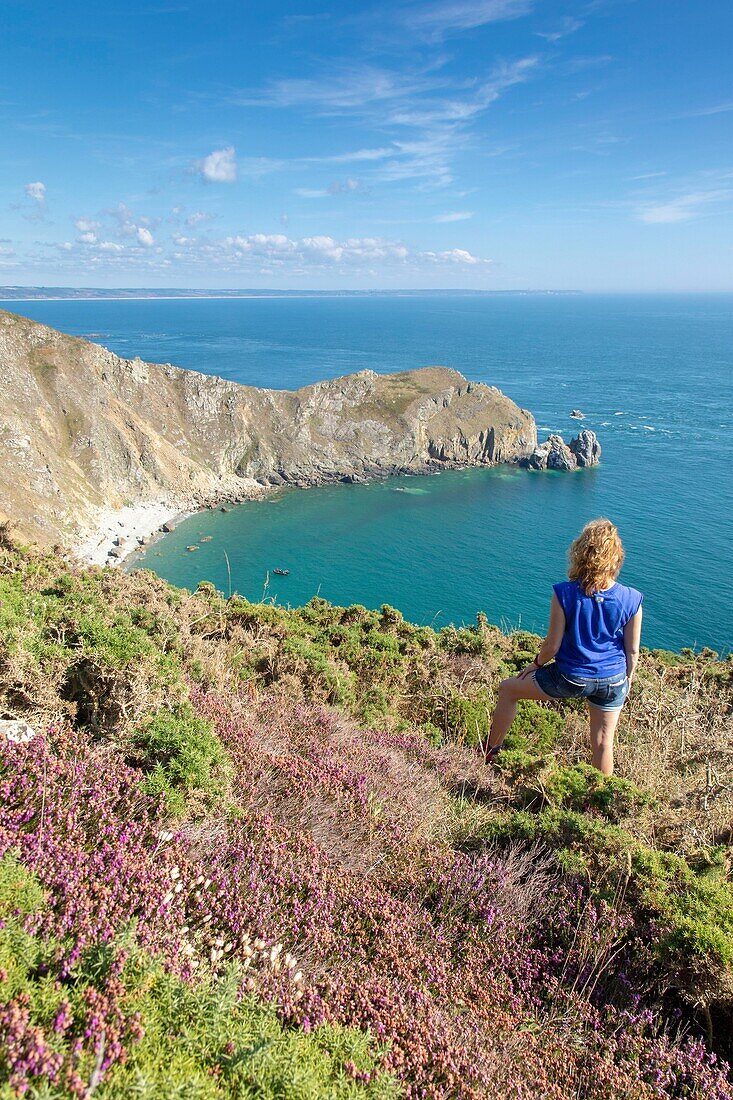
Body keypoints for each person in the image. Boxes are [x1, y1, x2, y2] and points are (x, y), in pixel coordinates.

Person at [485, 518, 643, 776]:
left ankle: (490, 751)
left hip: (571, 677)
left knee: (508, 689)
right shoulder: (633, 599)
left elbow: (552, 645)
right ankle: (598, 802)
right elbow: (632, 651)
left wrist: (534, 665)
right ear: (616, 557)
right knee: (604, 743)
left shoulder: (564, 594)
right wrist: (627, 679)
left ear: (581, 552)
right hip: (613, 679)